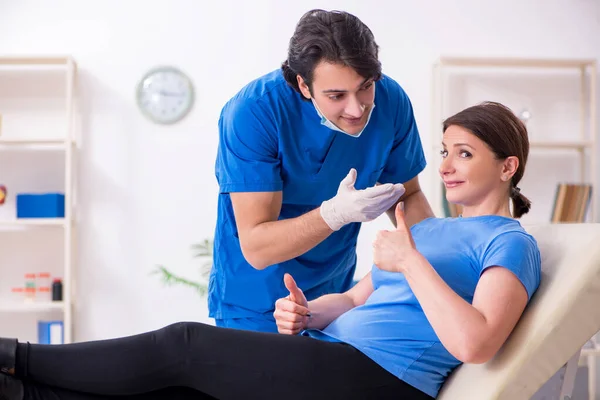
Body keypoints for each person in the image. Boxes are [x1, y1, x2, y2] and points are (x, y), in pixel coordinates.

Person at [0, 102, 541, 400]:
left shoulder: (510, 243)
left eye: (463, 154)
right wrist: (310, 311)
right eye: (444, 151)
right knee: (183, 396)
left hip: (386, 379)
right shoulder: (426, 229)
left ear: (507, 166)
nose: (443, 166)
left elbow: (476, 342)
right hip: (337, 354)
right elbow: (355, 300)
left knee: (184, 345)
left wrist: (411, 262)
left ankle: (14, 356)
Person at [210, 8, 434, 333]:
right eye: (336, 96)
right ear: (303, 85)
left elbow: (407, 195)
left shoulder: (391, 102)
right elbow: (257, 247)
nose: (357, 109)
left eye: (365, 87)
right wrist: (334, 214)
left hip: (335, 297)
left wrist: (439, 263)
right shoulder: (255, 113)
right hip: (256, 303)